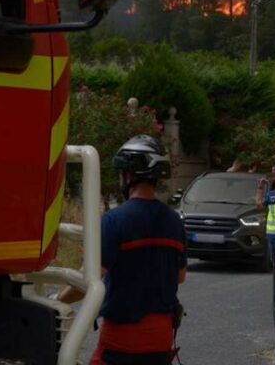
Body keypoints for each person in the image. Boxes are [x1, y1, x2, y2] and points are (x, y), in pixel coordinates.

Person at [59, 135, 186, 365]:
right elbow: (180, 276)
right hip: (161, 339)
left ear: (128, 176)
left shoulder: (114, 220)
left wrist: (58, 300)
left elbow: (88, 281)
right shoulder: (174, 221)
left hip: (122, 339)